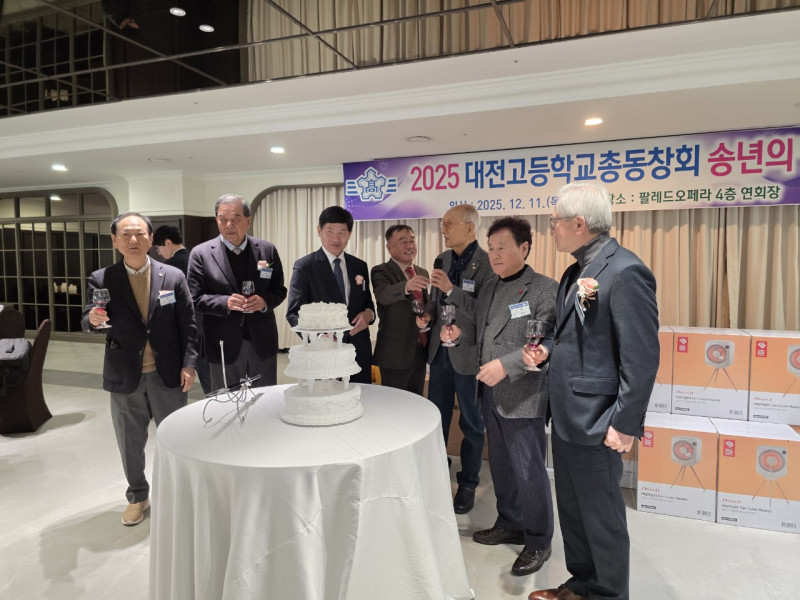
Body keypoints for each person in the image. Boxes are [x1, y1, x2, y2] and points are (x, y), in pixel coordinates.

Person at [526, 183, 659, 600]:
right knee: (574, 512)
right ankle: (582, 584)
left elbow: (641, 357)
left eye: (554, 222)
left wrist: (625, 424)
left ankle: (609, 593)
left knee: (601, 518)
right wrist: (544, 351)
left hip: (599, 419)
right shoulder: (575, 270)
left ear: (579, 223)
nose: (551, 229)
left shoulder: (626, 271)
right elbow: (566, 336)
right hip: (567, 413)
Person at [446, 216, 558, 576]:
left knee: (529, 470)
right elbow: (481, 332)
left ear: (524, 248)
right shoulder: (490, 286)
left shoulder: (544, 289)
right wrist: (458, 337)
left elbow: (547, 342)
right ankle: (510, 522)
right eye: (491, 248)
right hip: (489, 392)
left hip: (523, 394)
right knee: (502, 466)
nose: (494, 254)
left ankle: (538, 540)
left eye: (502, 248)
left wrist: (507, 365)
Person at [81, 212, 197, 526]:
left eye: (139, 234)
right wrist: (93, 320)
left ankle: (177, 493)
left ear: (150, 238)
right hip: (124, 374)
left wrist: (189, 364)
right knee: (129, 442)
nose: (133, 240)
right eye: (126, 234)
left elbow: (188, 323)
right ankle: (137, 496)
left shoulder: (172, 276)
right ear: (115, 240)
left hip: (167, 372)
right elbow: (90, 317)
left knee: (176, 438)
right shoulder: (103, 278)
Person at [423, 203, 493, 514]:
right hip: (440, 353)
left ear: (469, 227)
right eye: (443, 224)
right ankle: (437, 472)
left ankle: (468, 483)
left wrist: (452, 289)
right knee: (436, 418)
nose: (443, 229)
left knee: (471, 422)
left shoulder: (488, 263)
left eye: (449, 224)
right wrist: (426, 316)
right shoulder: (443, 259)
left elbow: (483, 312)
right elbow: (435, 300)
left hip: (469, 355)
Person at [187, 194, 287, 390]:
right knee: (226, 401)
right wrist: (225, 302)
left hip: (262, 340)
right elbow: (194, 298)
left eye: (235, 218)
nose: (229, 224)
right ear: (216, 220)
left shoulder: (266, 249)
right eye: (222, 219)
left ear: (248, 221)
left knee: (265, 398)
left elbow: (279, 289)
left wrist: (264, 301)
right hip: (222, 342)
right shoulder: (201, 254)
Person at [286, 206, 375, 384]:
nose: (336, 238)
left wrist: (369, 314)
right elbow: (294, 313)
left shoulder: (359, 266)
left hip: (358, 352)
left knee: (362, 397)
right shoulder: (305, 266)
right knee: (326, 398)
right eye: (330, 231)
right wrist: (320, 338)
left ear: (350, 234)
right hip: (323, 354)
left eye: (342, 232)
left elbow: (368, 303)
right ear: (319, 231)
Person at [371, 224, 430, 396]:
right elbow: (384, 295)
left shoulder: (421, 271)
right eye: (403, 241)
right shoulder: (381, 271)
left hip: (419, 351)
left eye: (412, 240)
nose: (409, 245)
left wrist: (427, 316)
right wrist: (407, 286)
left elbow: (425, 304)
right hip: (394, 355)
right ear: (389, 247)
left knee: (416, 401)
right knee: (393, 403)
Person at [153, 225, 211, 394]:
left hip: (185, 329)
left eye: (158, 247)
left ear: (168, 243)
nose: (158, 253)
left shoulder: (169, 267)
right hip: (208, 325)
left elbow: (167, 303)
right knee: (212, 379)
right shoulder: (200, 259)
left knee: (182, 378)